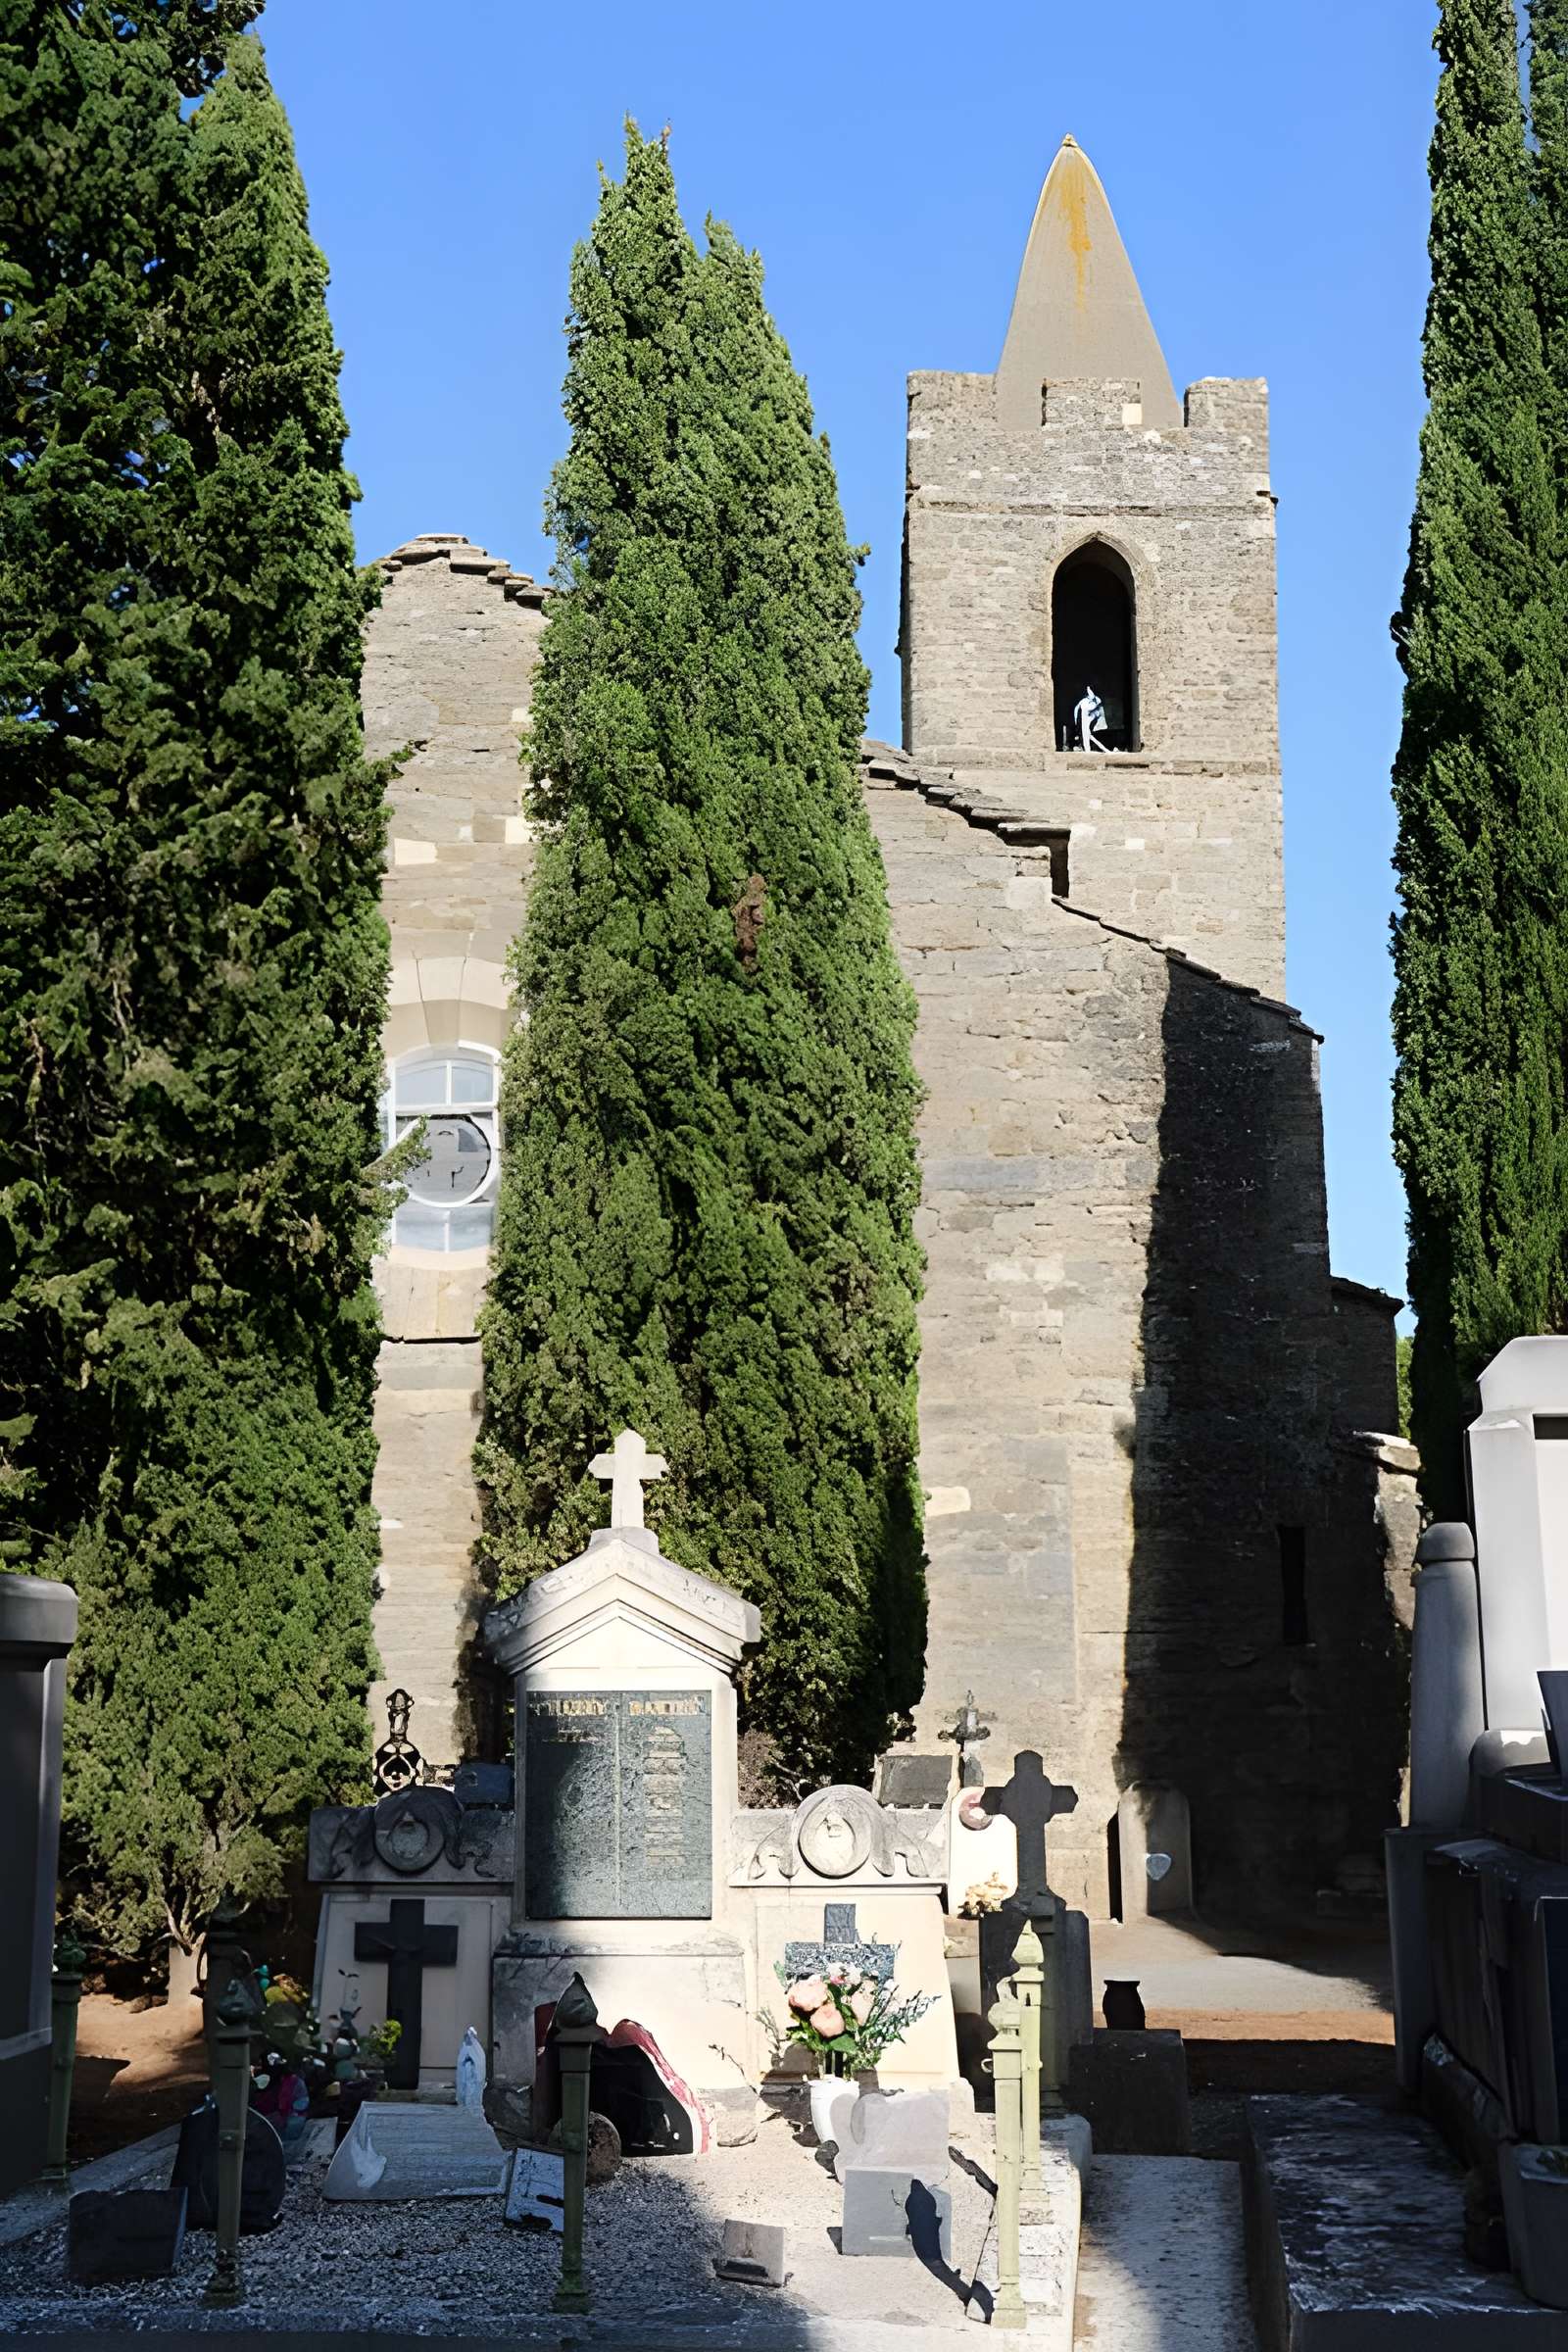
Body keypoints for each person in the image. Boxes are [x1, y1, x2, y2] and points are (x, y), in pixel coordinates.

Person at [1074, 684, 1109, 752]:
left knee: (1087, 734)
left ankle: (1091, 749)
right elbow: (1076, 708)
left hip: (1090, 715)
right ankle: (1101, 749)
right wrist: (1076, 719)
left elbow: (1097, 707)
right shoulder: (1084, 701)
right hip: (1086, 716)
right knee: (1087, 734)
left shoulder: (1096, 700)